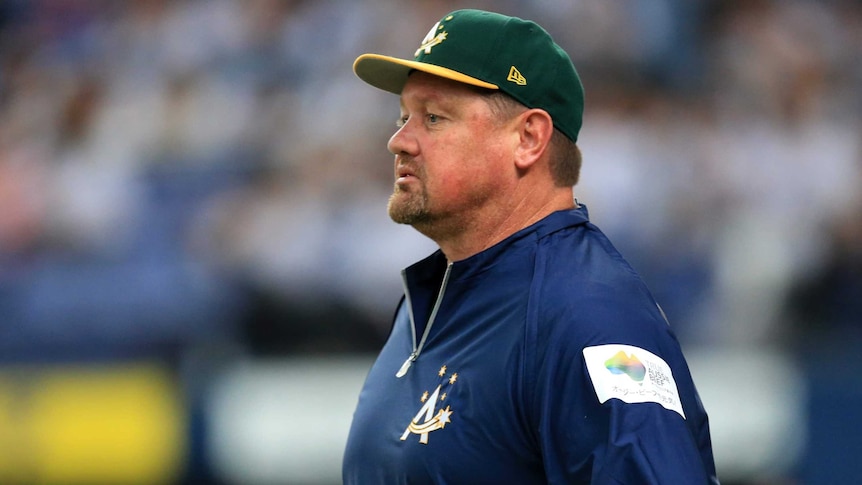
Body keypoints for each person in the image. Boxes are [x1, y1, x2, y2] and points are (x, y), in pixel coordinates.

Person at [342, 9, 719, 484]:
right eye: (403, 117)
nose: (399, 141)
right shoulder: (431, 302)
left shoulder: (591, 316)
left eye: (433, 118)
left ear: (528, 138)